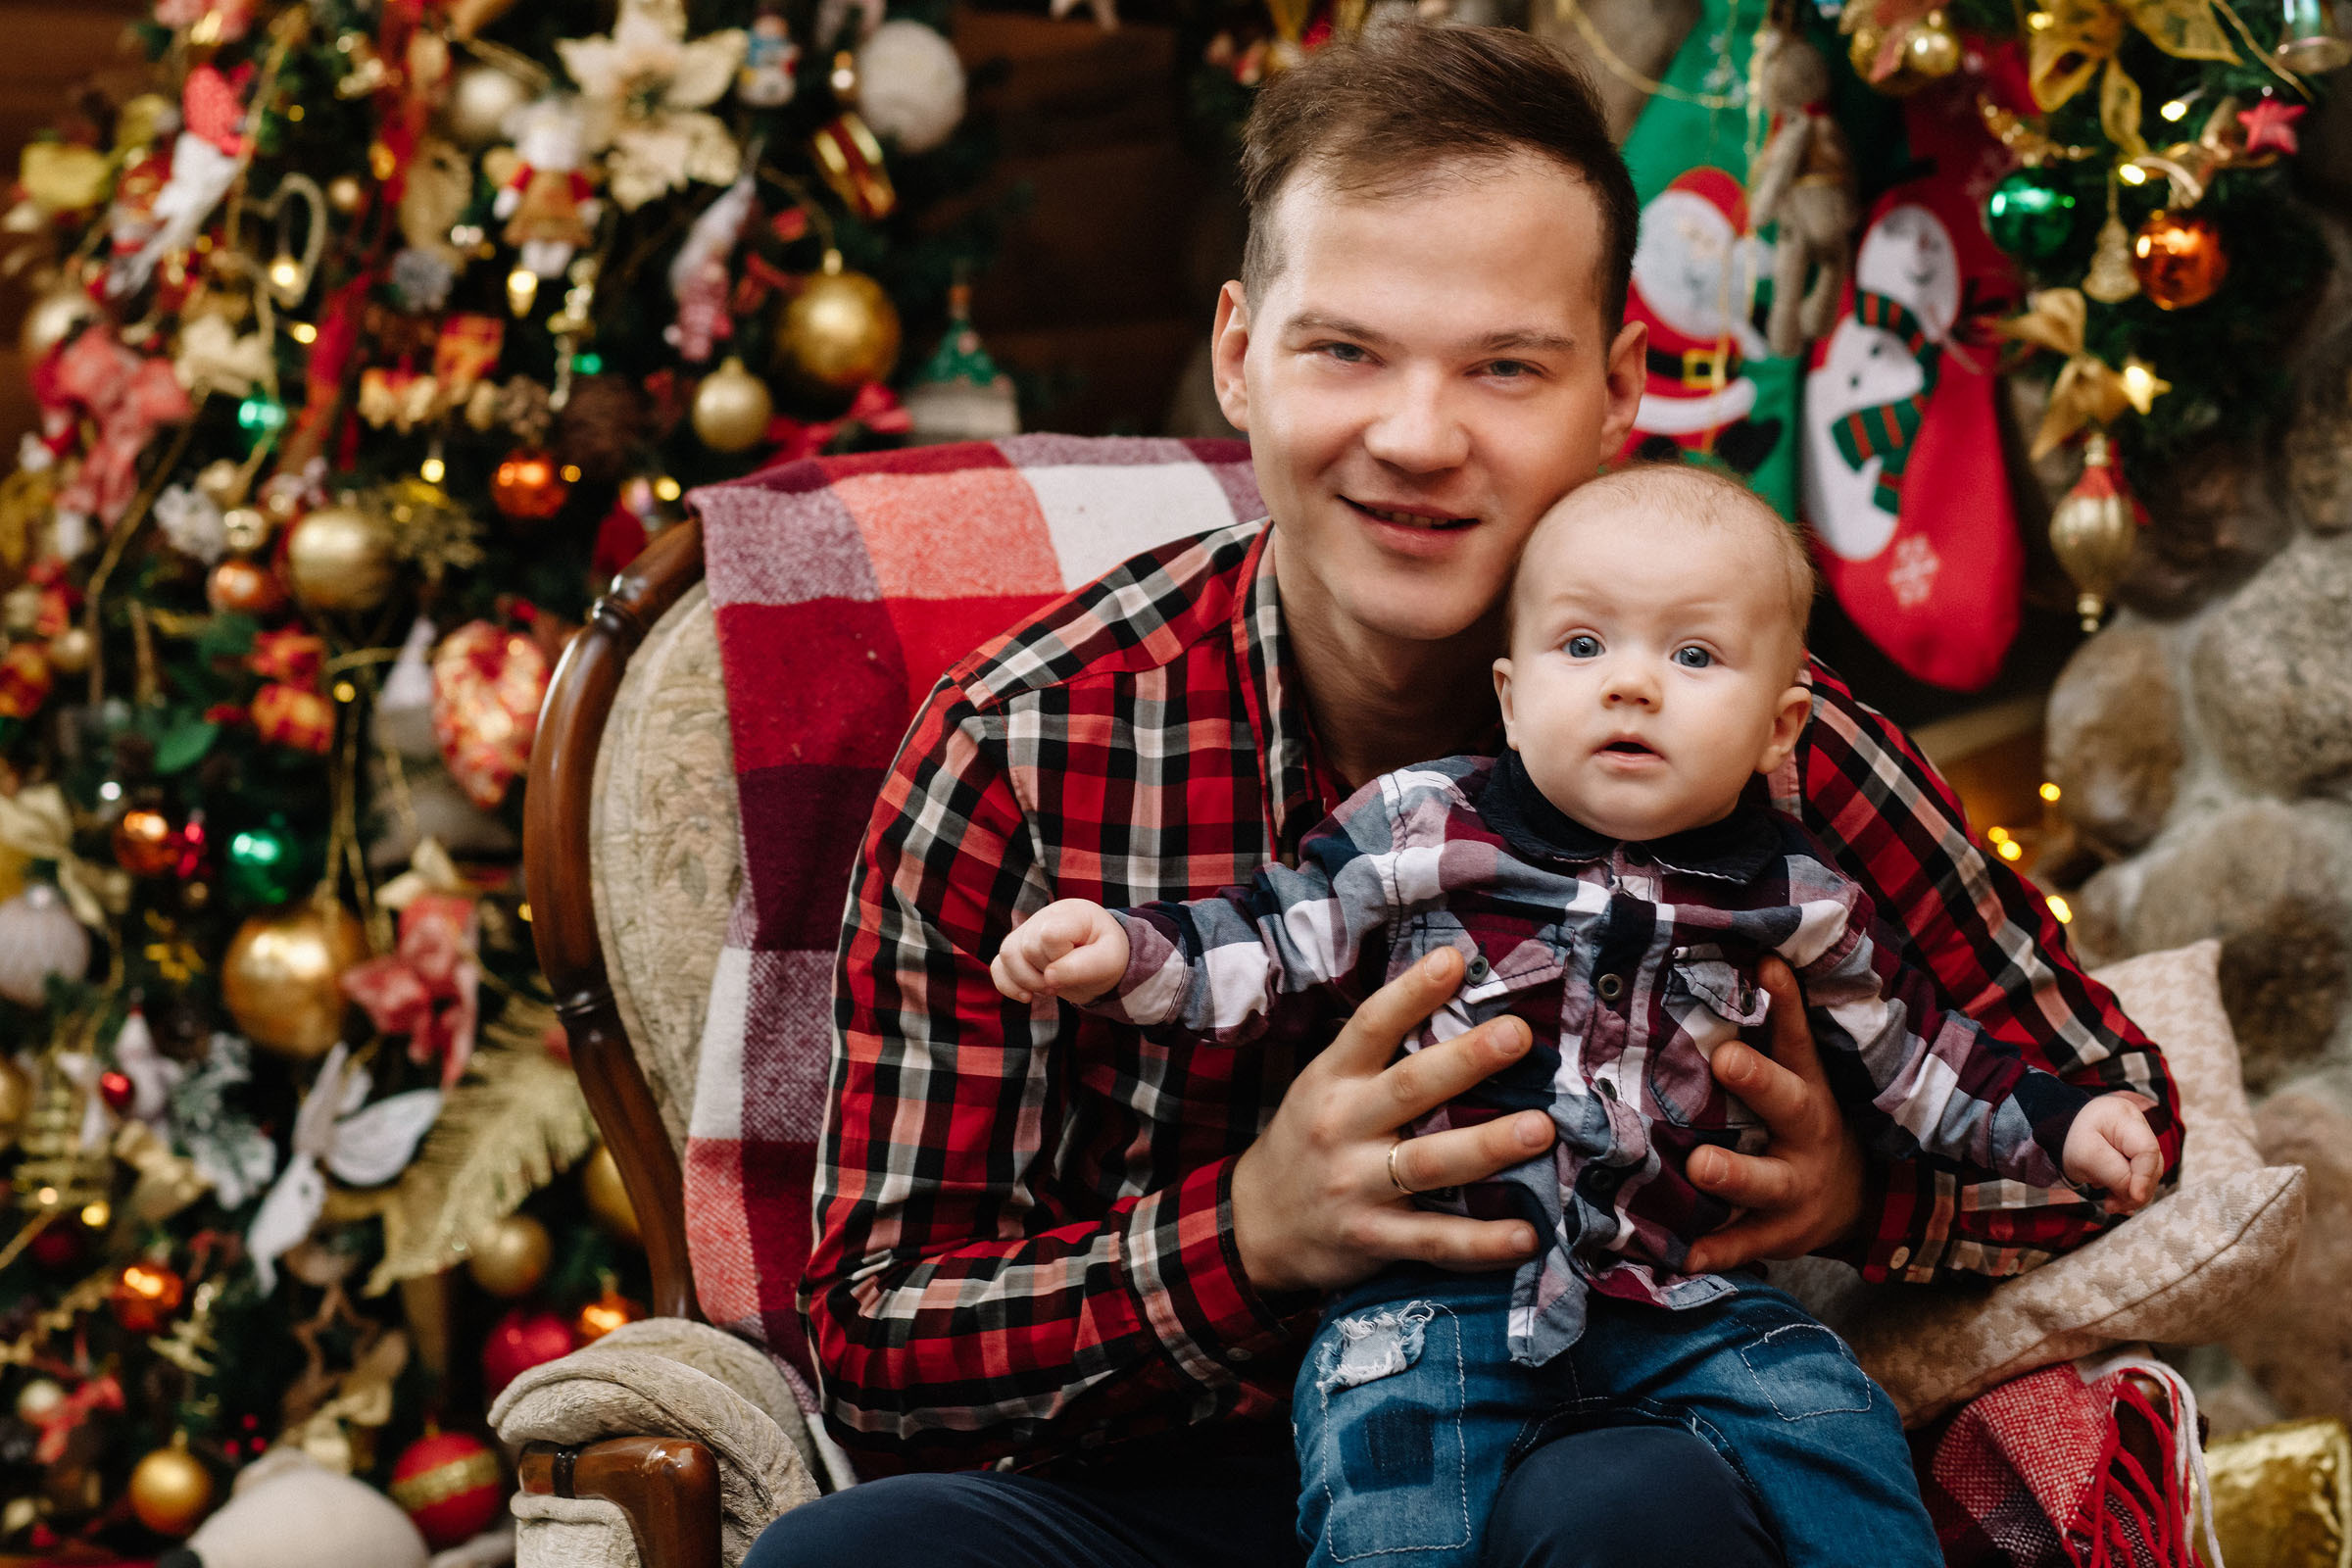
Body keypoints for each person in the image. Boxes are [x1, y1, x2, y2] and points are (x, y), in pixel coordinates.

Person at [749, 24, 2181, 1568]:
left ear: (1621, 389)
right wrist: (1250, 1234)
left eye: (1505, 366)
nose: (1418, 439)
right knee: (851, 1557)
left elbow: (2126, 1120)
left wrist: (1863, 1201)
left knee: (1632, 1511)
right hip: (1182, 1479)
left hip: (1599, 1425)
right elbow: (878, 1346)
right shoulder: (1026, 744)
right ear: (1240, 352)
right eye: (1345, 350)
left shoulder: (1770, 747)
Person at [989, 464, 2161, 1567]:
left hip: (1680, 1296)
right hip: (1436, 1306)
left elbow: (1922, 1060)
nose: (1631, 682)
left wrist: (2058, 1125)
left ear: (1780, 729)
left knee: (1829, 1411)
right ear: (1511, 695)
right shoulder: (1426, 830)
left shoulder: (1799, 898)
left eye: (1695, 655)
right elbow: (1266, 938)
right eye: (1583, 644)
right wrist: (1124, 952)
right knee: (1386, 1481)